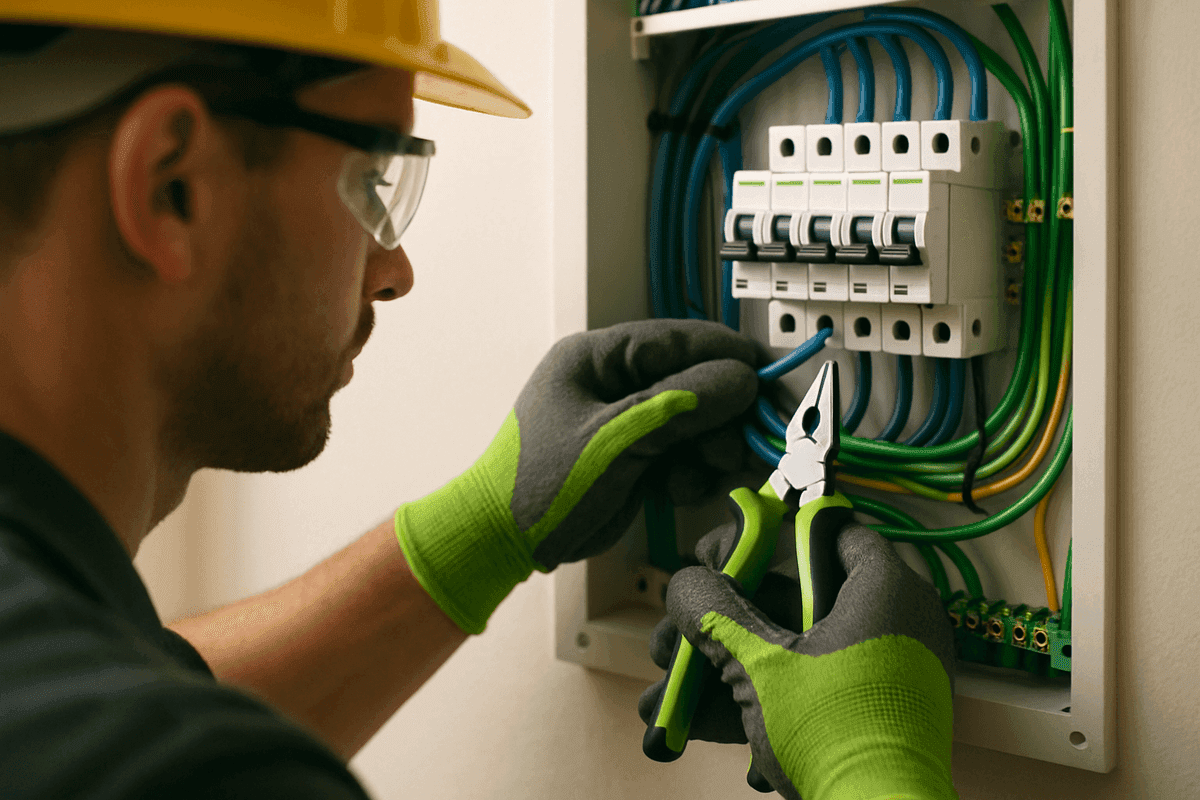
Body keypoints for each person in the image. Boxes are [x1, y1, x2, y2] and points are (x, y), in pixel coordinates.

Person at [0, 2, 956, 798]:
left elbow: (104, 690)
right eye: (373, 177)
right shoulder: (168, 765)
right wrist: (873, 766)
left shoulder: (75, 698)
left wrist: (480, 531)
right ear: (175, 188)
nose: (395, 268)